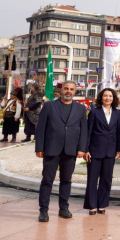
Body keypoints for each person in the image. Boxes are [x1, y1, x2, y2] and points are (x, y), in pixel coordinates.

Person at [35, 81, 88, 222]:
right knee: (47, 180)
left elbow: (84, 130)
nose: (68, 91)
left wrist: (82, 148)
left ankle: (63, 208)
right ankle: (43, 211)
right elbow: (40, 128)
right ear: (62, 90)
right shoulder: (49, 106)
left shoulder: (80, 108)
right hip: (52, 148)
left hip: (71, 150)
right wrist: (39, 148)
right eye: (66, 89)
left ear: (75, 91)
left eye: (71, 89)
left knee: (66, 180)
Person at [84, 88, 120, 215]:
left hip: (110, 151)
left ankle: (102, 204)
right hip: (95, 151)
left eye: (110, 96)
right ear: (101, 98)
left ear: (114, 99)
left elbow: (118, 132)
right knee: (92, 179)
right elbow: (88, 132)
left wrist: (119, 149)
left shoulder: (117, 113)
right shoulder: (94, 112)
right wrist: (86, 150)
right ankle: (92, 205)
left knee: (106, 180)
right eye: (105, 96)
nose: (108, 98)